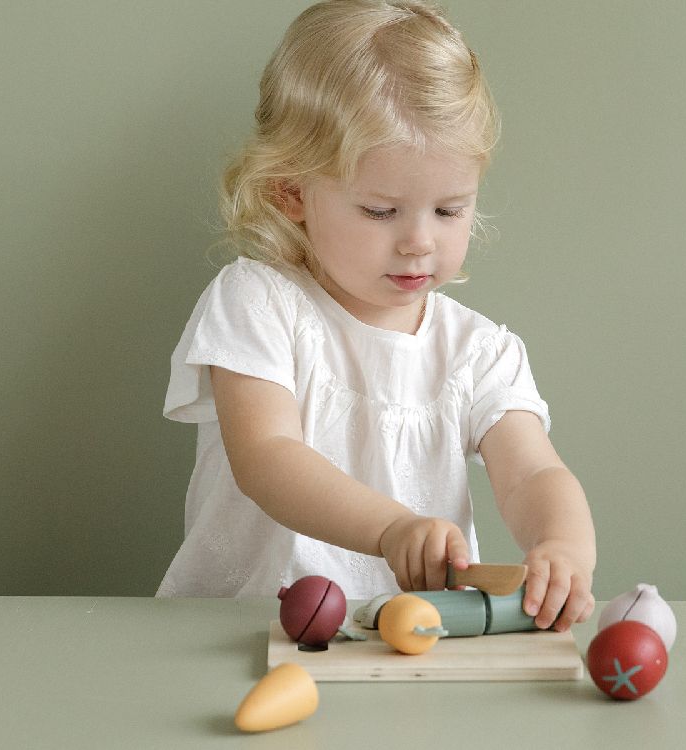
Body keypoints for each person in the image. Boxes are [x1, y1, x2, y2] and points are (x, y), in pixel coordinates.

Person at [157, 0, 596, 632]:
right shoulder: (258, 303)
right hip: (237, 633)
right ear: (292, 191)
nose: (419, 241)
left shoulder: (477, 351)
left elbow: (532, 471)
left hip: (404, 644)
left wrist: (564, 549)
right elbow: (268, 455)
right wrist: (391, 528)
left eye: (449, 210)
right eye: (380, 211)